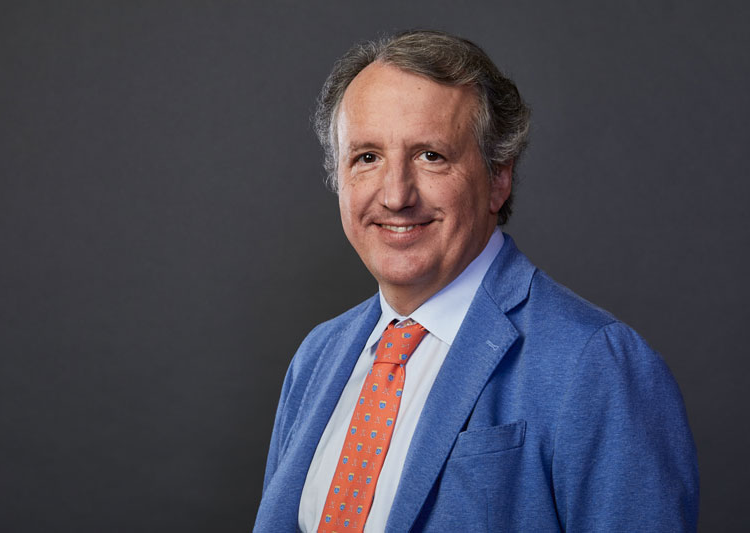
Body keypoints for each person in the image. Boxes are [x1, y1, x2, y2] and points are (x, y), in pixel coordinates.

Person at [254, 30, 698, 532]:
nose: (396, 196)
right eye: (367, 157)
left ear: (498, 177)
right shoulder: (317, 357)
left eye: (430, 155)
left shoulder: (596, 363)